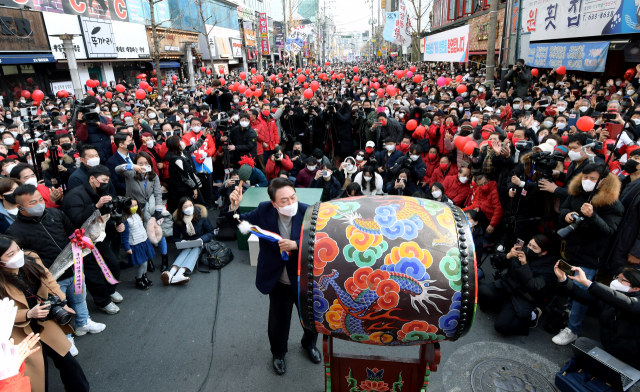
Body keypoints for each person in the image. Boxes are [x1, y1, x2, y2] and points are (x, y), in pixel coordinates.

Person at [229, 178, 320, 375]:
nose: (290, 203)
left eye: (293, 197)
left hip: (303, 280)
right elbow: (240, 225)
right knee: (278, 321)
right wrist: (233, 208)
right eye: (284, 200)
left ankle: (309, 344)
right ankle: (278, 354)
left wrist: (296, 244)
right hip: (278, 279)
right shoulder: (263, 210)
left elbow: (320, 239)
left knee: (310, 318)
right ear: (273, 203)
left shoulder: (309, 211)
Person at [0, 237, 90, 392]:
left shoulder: (31, 257)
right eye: (10, 254)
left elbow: (48, 279)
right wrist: (28, 313)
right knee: (38, 373)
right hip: (20, 332)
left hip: (45, 320)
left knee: (68, 362)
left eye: (17, 249)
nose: (17, 255)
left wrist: (62, 301)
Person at [553, 163, 624, 346]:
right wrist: (567, 215)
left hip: (591, 256)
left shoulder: (612, 204)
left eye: (593, 179)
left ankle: (573, 329)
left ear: (603, 181)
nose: (587, 181)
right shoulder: (576, 192)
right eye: (585, 177)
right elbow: (563, 210)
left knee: (581, 293)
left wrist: (593, 216)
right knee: (569, 285)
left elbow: (609, 230)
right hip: (571, 249)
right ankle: (568, 313)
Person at [553, 263, 640, 371]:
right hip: (609, 350)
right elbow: (583, 296)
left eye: (622, 280)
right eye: (617, 277)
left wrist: (587, 283)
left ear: (636, 288)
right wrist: (564, 280)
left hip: (632, 361)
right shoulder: (608, 297)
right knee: (581, 343)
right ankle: (608, 371)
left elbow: (627, 303)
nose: (616, 281)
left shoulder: (635, 303)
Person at [478, 235, 555, 336]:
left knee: (501, 327)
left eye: (534, 248)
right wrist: (508, 256)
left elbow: (533, 287)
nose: (529, 248)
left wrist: (524, 265)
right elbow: (496, 265)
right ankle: (503, 310)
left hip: (522, 297)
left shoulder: (548, 269)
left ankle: (531, 317)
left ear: (544, 252)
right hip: (507, 287)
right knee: (482, 290)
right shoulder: (521, 251)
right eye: (529, 244)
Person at [115, 151, 168, 272]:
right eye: (140, 163)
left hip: (150, 207)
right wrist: (132, 166)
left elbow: (158, 193)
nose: (144, 165)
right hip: (135, 209)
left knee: (158, 232)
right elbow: (117, 169)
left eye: (146, 162)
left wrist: (158, 210)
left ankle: (164, 258)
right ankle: (148, 260)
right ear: (136, 164)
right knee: (142, 236)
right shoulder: (130, 173)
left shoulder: (153, 176)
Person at [162, 197, 215, 285]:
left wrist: (202, 239)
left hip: (201, 242)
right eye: (185, 206)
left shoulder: (201, 217)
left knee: (195, 250)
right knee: (185, 251)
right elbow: (174, 237)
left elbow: (210, 232)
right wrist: (181, 241)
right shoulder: (178, 221)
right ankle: (170, 273)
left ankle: (180, 273)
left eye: (190, 205)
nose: (189, 208)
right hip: (187, 242)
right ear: (181, 209)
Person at [164, 134, 206, 212]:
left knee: (199, 204)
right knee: (189, 207)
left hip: (189, 186)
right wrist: (194, 188)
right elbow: (186, 177)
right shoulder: (177, 159)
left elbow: (195, 146)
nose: (182, 142)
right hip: (184, 189)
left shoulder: (182, 152)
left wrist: (203, 136)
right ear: (176, 145)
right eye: (179, 141)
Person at [120, 198, 155, 290]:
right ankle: (138, 279)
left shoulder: (138, 215)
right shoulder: (126, 220)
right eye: (131, 205)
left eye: (135, 205)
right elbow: (124, 236)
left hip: (144, 241)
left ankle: (144, 277)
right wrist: (127, 248)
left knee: (146, 261)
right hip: (135, 244)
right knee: (142, 263)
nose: (134, 207)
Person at [75, 95, 116, 163]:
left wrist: (98, 123)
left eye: (96, 105)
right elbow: (82, 138)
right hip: (93, 158)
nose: (94, 108)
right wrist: (84, 123)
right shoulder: (80, 121)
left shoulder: (105, 119)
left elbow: (112, 131)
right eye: (91, 106)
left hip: (108, 154)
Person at [464, 174, 503, 238]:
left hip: (493, 218)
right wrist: (477, 207)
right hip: (484, 214)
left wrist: (492, 225)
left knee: (487, 237)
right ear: (478, 186)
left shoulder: (494, 192)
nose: (484, 186)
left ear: (488, 181)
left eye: (485, 183)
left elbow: (498, 210)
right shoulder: (479, 190)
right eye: (481, 185)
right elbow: (478, 200)